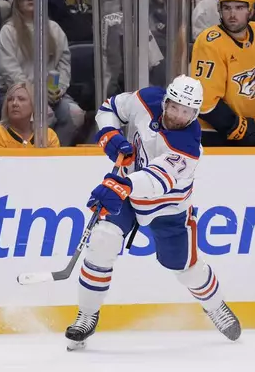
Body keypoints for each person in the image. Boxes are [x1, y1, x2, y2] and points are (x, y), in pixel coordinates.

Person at [64, 74, 241, 350]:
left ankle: (215, 305)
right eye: (175, 107)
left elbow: (154, 181)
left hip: (167, 208)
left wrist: (120, 185)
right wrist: (109, 135)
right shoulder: (146, 100)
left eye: (187, 112)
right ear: (166, 101)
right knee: (102, 240)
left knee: (185, 269)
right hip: (127, 195)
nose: (179, 116)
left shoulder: (188, 146)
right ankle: (86, 315)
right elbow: (109, 108)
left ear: (195, 114)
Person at [0, 0, 85, 146]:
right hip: (17, 94)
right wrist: (32, 95)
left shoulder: (54, 28)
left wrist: (60, 89)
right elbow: (10, 71)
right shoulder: (8, 31)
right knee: (45, 115)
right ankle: (34, 154)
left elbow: (64, 63)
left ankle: (56, 151)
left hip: (50, 94)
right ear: (16, 3)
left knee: (76, 114)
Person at [190, 0, 255, 146]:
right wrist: (241, 128)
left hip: (251, 129)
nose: (232, 14)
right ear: (220, 10)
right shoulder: (209, 42)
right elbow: (206, 103)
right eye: (227, 8)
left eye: (239, 8)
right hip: (215, 133)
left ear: (251, 10)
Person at [0, 82, 60, 148]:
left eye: (21, 99)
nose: (14, 103)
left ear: (33, 105)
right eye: (10, 99)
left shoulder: (48, 136)